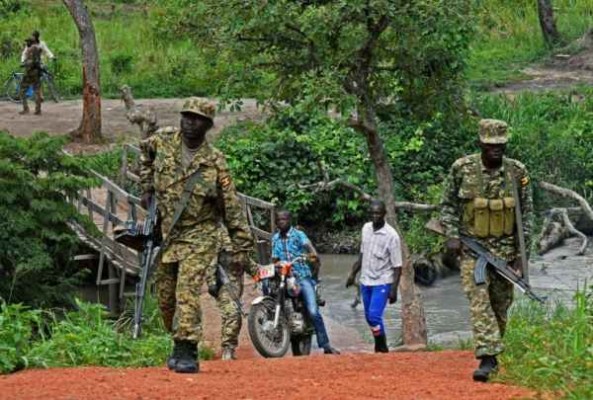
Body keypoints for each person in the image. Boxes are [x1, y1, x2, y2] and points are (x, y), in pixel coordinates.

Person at [139, 98, 254, 373]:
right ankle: (178, 341)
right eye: (186, 116)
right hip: (169, 234)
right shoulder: (163, 140)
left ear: (208, 125)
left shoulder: (215, 162)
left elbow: (231, 206)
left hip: (201, 232)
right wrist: (146, 186)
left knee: (187, 289)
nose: (190, 122)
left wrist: (241, 245)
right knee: (165, 298)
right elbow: (144, 154)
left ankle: (187, 349)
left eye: (197, 118)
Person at [440, 119, 533, 382]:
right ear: (480, 143)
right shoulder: (462, 168)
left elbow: (526, 216)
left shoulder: (517, 172)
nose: (496, 149)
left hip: (505, 253)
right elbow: (447, 205)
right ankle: (487, 358)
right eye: (491, 145)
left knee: (500, 306)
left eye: (500, 145)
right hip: (472, 249)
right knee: (479, 300)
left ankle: (492, 355)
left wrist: (522, 257)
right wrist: (452, 235)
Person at [271, 210, 340, 355]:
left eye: (284, 219)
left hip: (302, 277)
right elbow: (275, 259)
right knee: (272, 296)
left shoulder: (298, 235)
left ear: (289, 220)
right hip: (285, 278)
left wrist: (312, 255)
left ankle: (326, 345)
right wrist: (277, 265)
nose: (281, 222)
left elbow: (310, 249)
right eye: (278, 220)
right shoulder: (275, 238)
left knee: (313, 312)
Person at [346, 200, 402, 353]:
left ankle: (381, 345)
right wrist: (353, 274)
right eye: (372, 213)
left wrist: (394, 289)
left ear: (384, 214)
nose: (375, 216)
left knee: (374, 316)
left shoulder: (391, 236)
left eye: (378, 213)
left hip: (383, 280)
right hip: (366, 280)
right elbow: (362, 255)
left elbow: (397, 266)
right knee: (368, 317)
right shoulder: (366, 228)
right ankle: (381, 345)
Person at [18, 38, 42, 115]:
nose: (26, 44)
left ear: (30, 42)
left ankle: (26, 109)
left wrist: (24, 64)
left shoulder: (30, 49)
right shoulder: (38, 49)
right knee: (37, 91)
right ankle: (38, 110)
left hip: (30, 73)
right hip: (37, 72)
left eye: (27, 42)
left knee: (22, 90)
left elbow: (30, 62)